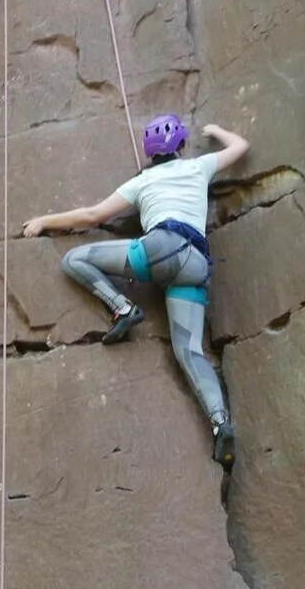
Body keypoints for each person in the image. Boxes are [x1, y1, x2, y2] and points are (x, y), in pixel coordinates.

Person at [22, 116, 250, 469]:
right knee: (190, 352)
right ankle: (220, 424)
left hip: (159, 250)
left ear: (149, 153)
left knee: (74, 259)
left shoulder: (143, 181)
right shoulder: (198, 167)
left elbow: (94, 215)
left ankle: (123, 308)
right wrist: (216, 131)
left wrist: (44, 221)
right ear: (181, 146)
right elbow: (241, 147)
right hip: (194, 265)